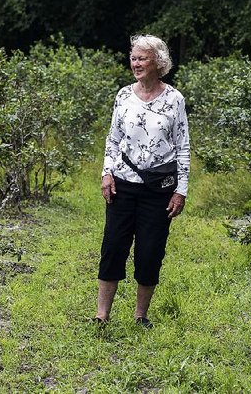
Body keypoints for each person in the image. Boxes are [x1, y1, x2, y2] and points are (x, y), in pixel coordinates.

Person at [95, 34, 190, 328]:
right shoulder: (123, 95)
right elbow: (113, 139)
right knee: (113, 247)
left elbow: (183, 146)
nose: (135, 63)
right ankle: (101, 315)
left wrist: (181, 190)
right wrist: (106, 172)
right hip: (123, 184)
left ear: (158, 62)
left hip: (158, 189)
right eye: (133, 57)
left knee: (150, 252)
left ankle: (140, 316)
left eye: (142, 58)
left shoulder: (175, 99)